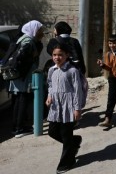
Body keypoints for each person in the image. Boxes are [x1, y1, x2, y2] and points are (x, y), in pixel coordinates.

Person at [46, 42, 84, 174]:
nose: (57, 57)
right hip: (56, 106)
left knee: (66, 135)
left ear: (67, 55)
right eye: (54, 55)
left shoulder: (72, 71)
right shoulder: (52, 70)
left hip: (69, 106)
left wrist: (77, 108)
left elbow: (78, 90)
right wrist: (49, 96)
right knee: (52, 131)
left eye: (60, 55)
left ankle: (67, 162)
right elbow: (50, 84)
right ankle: (75, 141)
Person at [9, 20, 44, 138]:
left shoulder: (24, 38)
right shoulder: (28, 41)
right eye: (40, 30)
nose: (41, 33)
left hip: (20, 76)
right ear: (34, 29)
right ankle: (19, 129)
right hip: (23, 76)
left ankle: (18, 126)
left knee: (18, 100)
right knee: (22, 101)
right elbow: (21, 59)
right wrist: (32, 57)